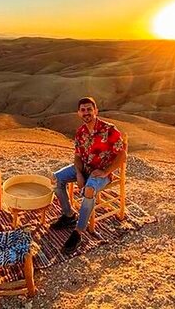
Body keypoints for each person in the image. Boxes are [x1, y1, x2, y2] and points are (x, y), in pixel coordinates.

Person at [51, 96, 127, 254]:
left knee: (89, 190)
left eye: (89, 109)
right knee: (56, 178)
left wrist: (106, 172)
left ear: (96, 111)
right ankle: (69, 215)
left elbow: (122, 155)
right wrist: (79, 173)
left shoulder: (109, 130)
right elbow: (78, 156)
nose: (86, 113)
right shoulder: (80, 132)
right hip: (84, 168)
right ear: (79, 113)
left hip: (102, 171)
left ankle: (78, 233)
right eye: (83, 110)